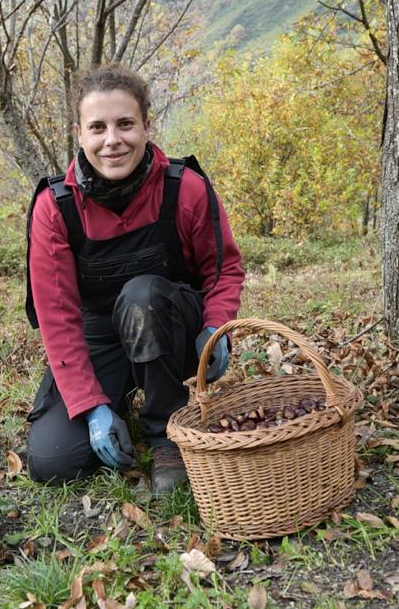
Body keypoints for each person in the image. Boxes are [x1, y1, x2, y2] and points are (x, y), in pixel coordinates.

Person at [24, 66, 244, 493]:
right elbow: (58, 317)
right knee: (54, 461)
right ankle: (116, 403)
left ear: (146, 125)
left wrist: (217, 328)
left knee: (141, 295)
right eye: (97, 127)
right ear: (79, 133)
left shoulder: (187, 188)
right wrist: (91, 407)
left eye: (125, 124)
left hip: (172, 329)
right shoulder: (56, 207)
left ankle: (166, 435)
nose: (112, 140)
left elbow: (223, 270)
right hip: (100, 339)